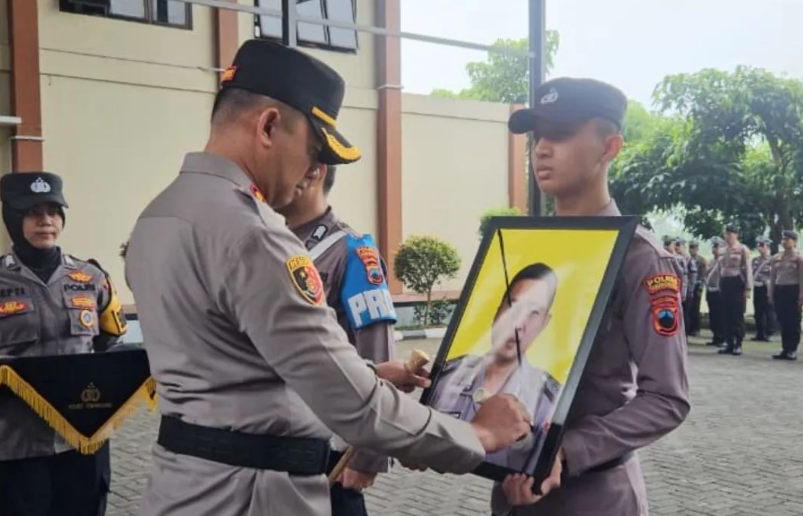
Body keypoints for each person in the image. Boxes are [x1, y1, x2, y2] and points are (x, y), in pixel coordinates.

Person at [123, 39, 533, 516]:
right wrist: (475, 434)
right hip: (249, 497)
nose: (310, 171)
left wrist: (370, 373)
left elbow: (238, 365)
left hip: (181, 487)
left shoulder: (157, 217)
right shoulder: (254, 235)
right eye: (312, 148)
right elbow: (355, 407)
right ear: (268, 125)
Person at [498, 77, 691, 516]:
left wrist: (566, 451)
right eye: (538, 136)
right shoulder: (522, 249)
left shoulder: (639, 259)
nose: (542, 149)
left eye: (561, 134)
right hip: (511, 493)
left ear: (610, 148)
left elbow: (668, 398)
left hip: (592, 498)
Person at [0, 171, 127, 516]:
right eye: (32, 212)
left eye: (54, 211)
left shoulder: (91, 278)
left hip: (82, 441)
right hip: (11, 446)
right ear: (12, 218)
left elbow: (110, 347)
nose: (46, 221)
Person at [276, 163, 396, 516]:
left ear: (314, 173)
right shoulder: (272, 241)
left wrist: (366, 455)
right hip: (274, 444)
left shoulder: (351, 252)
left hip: (327, 450)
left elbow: (379, 356)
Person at [430, 263, 561, 475]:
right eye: (513, 307)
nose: (518, 324)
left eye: (533, 313)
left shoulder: (548, 402)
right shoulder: (446, 378)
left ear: (545, 323)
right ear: (498, 311)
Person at [717, 225, 753, 356]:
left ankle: (738, 343)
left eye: (730, 234)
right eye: (726, 234)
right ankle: (729, 343)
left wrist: (748, 287)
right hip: (725, 282)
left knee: (737, 314)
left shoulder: (742, 249)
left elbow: (748, 269)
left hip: (737, 283)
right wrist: (718, 284)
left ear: (736, 235)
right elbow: (719, 269)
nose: (727, 237)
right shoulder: (722, 250)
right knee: (726, 314)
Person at [769, 230, 803, 361]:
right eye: (783, 239)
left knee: (793, 320)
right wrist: (771, 292)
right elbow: (772, 277)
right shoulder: (777, 257)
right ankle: (785, 348)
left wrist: (801, 294)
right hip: (780, 290)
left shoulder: (799, 258)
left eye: (787, 239)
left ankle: (792, 349)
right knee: (782, 320)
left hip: (792, 290)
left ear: (794, 242)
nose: (784, 242)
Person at [752, 236, 775, 342]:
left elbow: (774, 275)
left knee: (769, 311)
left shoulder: (772, 260)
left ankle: (769, 333)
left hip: (767, 288)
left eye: (761, 245)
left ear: (767, 246)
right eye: (758, 245)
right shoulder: (755, 260)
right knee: (758, 311)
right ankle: (760, 333)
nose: (759, 247)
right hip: (758, 287)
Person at [705, 237, 727, 347]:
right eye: (713, 246)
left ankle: (723, 338)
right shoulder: (711, 261)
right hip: (711, 290)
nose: (714, 249)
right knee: (713, 316)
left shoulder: (724, 261)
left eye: (716, 246)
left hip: (720, 291)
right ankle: (716, 337)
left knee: (721, 316)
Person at [686, 241, 707, 337]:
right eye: (690, 248)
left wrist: (700, 289)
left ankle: (696, 328)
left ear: (697, 249)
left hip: (697, 285)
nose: (691, 250)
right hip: (690, 286)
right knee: (689, 308)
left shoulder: (701, 260)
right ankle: (690, 328)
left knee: (696, 307)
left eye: (693, 248)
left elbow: (703, 276)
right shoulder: (688, 259)